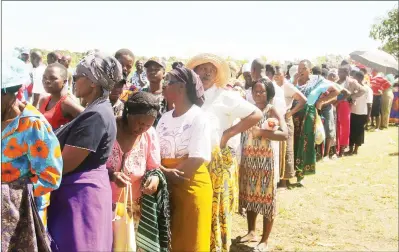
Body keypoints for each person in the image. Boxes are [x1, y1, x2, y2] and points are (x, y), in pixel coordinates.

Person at [47, 53, 122, 252]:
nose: (74, 80)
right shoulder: (96, 109)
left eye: (79, 75)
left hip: (81, 196)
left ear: (93, 82)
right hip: (81, 192)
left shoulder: (95, 116)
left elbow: (63, 164)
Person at [187, 53, 262, 252]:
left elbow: (256, 114)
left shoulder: (225, 96)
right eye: (203, 68)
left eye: (211, 70)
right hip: (193, 162)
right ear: (194, 72)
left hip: (218, 163)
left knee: (217, 210)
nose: (207, 73)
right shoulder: (189, 95)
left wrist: (228, 134)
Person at [1, 55, 62, 251]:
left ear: (12, 93)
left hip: (21, 215)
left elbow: (50, 177)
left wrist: (10, 193)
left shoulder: (32, 124)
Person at [156, 66, 212, 251]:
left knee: (190, 241)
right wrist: (164, 177)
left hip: (190, 186)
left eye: (168, 82)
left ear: (181, 87)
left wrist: (166, 178)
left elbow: (196, 159)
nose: (164, 86)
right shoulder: (164, 117)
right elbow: (154, 152)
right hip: (166, 184)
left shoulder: (199, 117)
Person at [106, 92, 169, 249]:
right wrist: (112, 175)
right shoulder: (108, 129)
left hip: (133, 209)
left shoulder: (149, 135)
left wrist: (154, 180)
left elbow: (153, 168)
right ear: (128, 113)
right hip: (104, 205)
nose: (142, 129)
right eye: (140, 123)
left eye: (148, 125)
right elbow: (92, 164)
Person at [238, 78, 288, 251]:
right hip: (249, 160)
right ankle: (251, 231)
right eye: (256, 91)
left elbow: (284, 134)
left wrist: (262, 132)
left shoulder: (272, 109)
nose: (258, 94)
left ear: (269, 93)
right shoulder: (248, 110)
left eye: (262, 91)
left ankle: (264, 240)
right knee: (250, 195)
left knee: (267, 199)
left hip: (266, 162)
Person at [293, 60, 340, 185]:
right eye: (299, 68)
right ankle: (289, 173)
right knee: (292, 143)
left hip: (308, 115)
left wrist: (321, 102)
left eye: (303, 68)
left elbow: (336, 91)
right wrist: (293, 81)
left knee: (305, 144)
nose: (300, 71)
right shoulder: (294, 81)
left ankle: (301, 175)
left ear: (310, 70)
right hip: (293, 115)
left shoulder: (318, 81)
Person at [274, 66, 307, 189]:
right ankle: (279, 179)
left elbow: (303, 100)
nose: (276, 76)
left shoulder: (287, 86)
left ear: (284, 74)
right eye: (274, 74)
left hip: (286, 119)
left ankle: (285, 181)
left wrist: (290, 113)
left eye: (278, 74)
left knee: (287, 150)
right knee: (278, 149)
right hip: (277, 119)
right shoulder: (275, 86)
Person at [38, 63, 84, 130]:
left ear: (64, 82)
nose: (47, 81)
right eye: (44, 77)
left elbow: (90, 117)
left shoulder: (66, 103)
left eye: (53, 78)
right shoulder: (43, 100)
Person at [335, 65, 366, 156]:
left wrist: (352, 97)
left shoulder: (351, 82)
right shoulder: (337, 81)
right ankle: (336, 147)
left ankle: (342, 147)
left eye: (341, 72)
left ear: (347, 72)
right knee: (337, 125)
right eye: (339, 71)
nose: (339, 73)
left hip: (345, 105)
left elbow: (363, 90)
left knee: (344, 126)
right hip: (335, 104)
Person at [348, 71, 372, 155]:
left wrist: (368, 115)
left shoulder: (367, 89)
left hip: (362, 113)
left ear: (359, 78)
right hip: (352, 112)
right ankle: (350, 149)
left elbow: (369, 103)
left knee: (359, 132)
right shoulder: (353, 87)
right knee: (351, 131)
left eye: (355, 77)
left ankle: (356, 150)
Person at [142, 57, 169, 126]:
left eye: (156, 69)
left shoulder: (169, 93)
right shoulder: (142, 93)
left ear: (164, 73)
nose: (152, 72)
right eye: (149, 70)